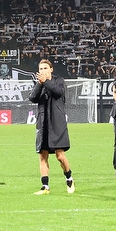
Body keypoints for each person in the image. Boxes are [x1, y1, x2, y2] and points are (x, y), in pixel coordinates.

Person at [29, 59, 75, 194]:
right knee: (42, 156)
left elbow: (58, 92)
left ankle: (69, 178)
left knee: (60, 155)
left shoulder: (59, 81)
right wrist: (39, 84)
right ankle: (45, 186)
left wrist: (46, 82)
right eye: (40, 69)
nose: (42, 71)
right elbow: (32, 97)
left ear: (51, 69)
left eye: (45, 68)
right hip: (43, 124)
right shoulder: (40, 84)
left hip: (57, 123)